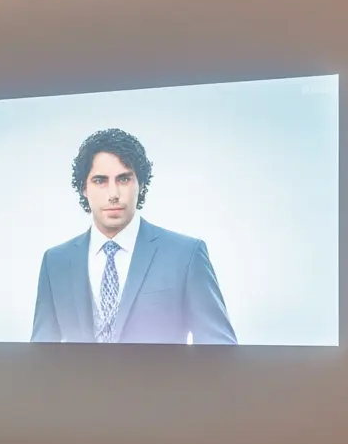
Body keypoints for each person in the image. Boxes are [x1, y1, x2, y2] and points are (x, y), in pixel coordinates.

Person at [30, 127, 236, 344]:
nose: (113, 195)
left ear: (142, 184)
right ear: (84, 188)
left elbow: (219, 350)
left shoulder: (185, 255)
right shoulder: (56, 262)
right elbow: (42, 355)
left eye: (124, 179)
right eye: (100, 180)